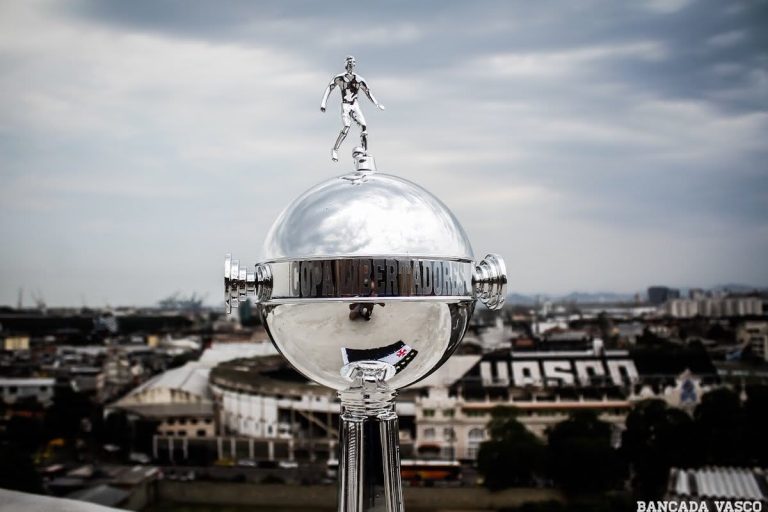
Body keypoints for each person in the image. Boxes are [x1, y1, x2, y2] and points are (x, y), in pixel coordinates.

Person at [321, 56, 385, 161]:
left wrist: (377, 104)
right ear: (346, 64)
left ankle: (364, 151)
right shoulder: (339, 78)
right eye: (348, 63)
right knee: (347, 126)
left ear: (354, 65)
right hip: (346, 105)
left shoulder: (359, 80)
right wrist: (323, 103)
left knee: (364, 126)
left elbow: (368, 93)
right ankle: (335, 149)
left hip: (355, 104)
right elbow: (329, 88)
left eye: (352, 63)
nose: (350, 65)